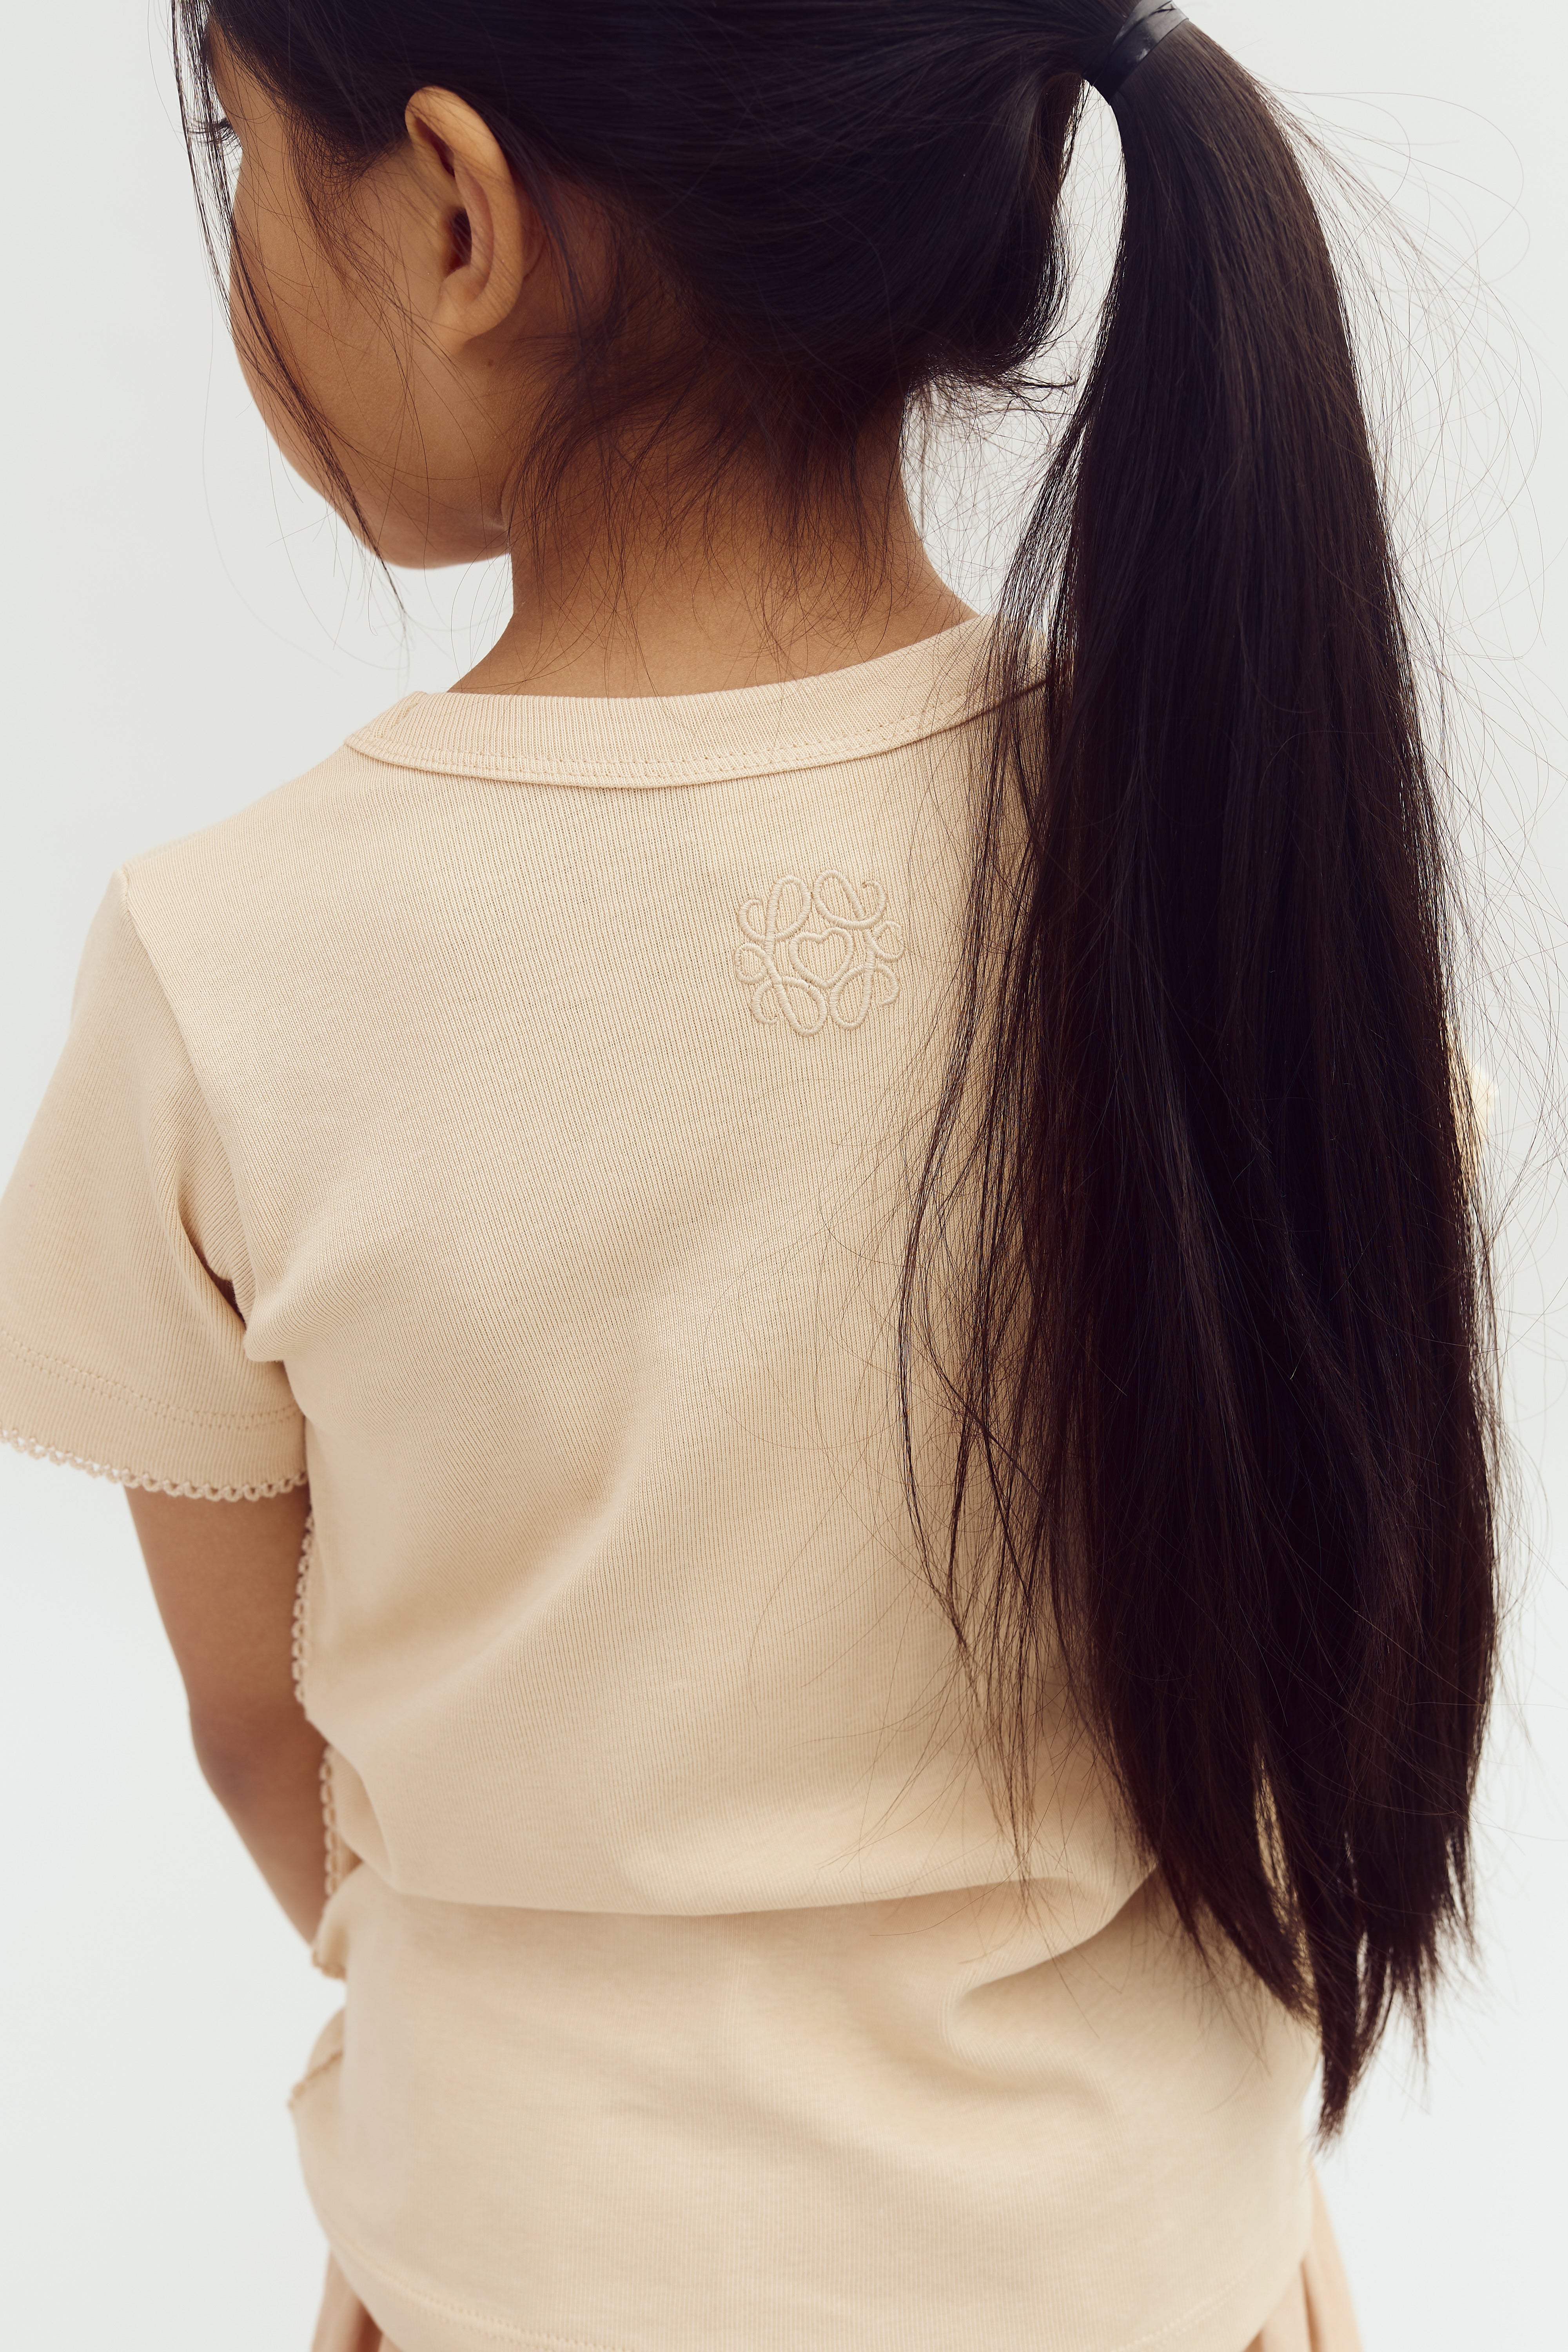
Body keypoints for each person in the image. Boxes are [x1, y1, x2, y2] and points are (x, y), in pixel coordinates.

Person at [0, 2, 1499, 2347]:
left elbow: (256, 1724)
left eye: (235, 141)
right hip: (1160, 2287)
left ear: (463, 215)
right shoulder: (1234, 860)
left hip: (521, 2278)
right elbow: (1345, 1582)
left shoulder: (229, 972)